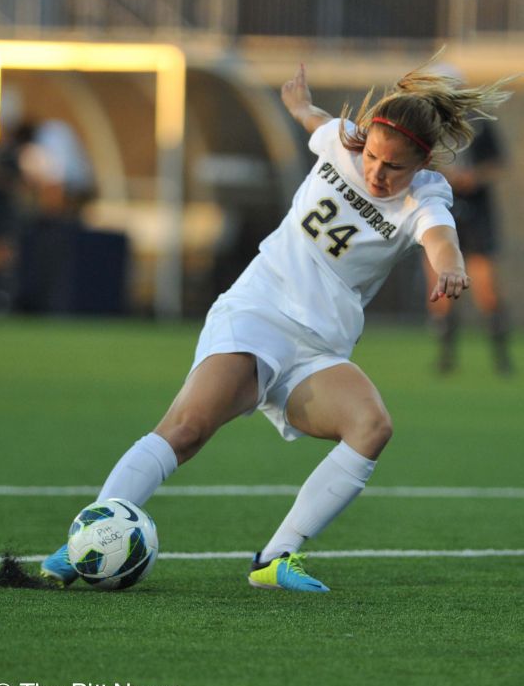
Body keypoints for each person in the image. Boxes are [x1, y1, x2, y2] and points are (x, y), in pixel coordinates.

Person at [41, 59, 513, 592]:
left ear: (423, 161)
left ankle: (275, 557)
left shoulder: (426, 195)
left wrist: (449, 265)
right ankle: (87, 537)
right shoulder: (342, 142)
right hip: (259, 312)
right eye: (374, 157)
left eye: (394, 167)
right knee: (187, 429)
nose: (378, 172)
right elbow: (318, 123)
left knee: (372, 427)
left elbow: (439, 236)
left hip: (319, 348)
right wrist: (297, 107)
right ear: (364, 142)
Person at [423, 116, 513, 373]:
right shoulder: (429, 124)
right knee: (439, 289)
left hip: (476, 215)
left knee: (486, 288)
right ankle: (445, 358)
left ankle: (501, 358)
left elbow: (498, 163)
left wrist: (474, 176)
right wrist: (446, 175)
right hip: (442, 211)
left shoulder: (481, 124)